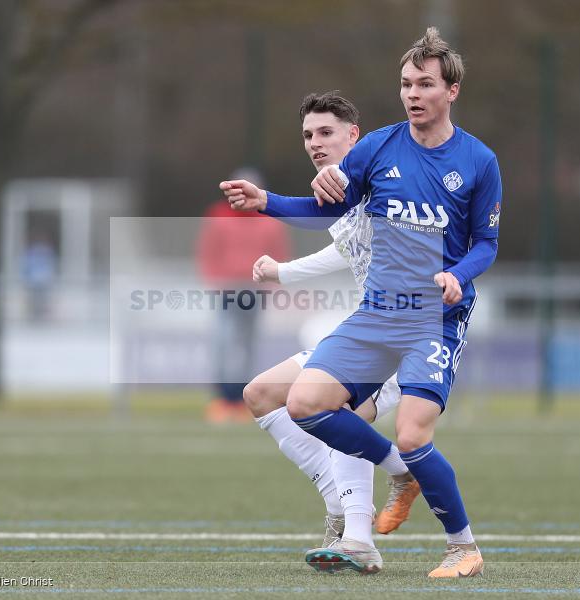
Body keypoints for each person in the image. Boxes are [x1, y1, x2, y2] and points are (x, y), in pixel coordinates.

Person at [220, 28, 501, 578]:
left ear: (452, 91)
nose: (413, 93)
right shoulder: (378, 147)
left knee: (412, 433)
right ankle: (375, 497)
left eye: (425, 84)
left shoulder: (478, 161)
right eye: (406, 84)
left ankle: (461, 547)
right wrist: (266, 202)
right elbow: (332, 210)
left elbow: (486, 243)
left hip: (433, 318)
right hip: (376, 313)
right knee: (303, 403)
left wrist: (457, 274)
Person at [243, 92, 421, 575]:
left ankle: (360, 537)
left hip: (406, 334)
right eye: (308, 135)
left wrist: (271, 219)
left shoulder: (381, 180)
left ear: (353, 135)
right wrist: (282, 272)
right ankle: (340, 504)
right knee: (261, 393)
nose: (315, 143)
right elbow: (346, 250)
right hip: (366, 330)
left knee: (339, 411)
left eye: (326, 132)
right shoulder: (345, 193)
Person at [196, 168, 289, 423]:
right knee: (223, 341)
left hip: (255, 290)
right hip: (227, 289)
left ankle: (241, 399)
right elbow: (208, 250)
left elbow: (278, 253)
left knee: (248, 345)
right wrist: (213, 279)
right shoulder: (218, 216)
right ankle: (223, 398)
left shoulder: (269, 218)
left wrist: (274, 282)